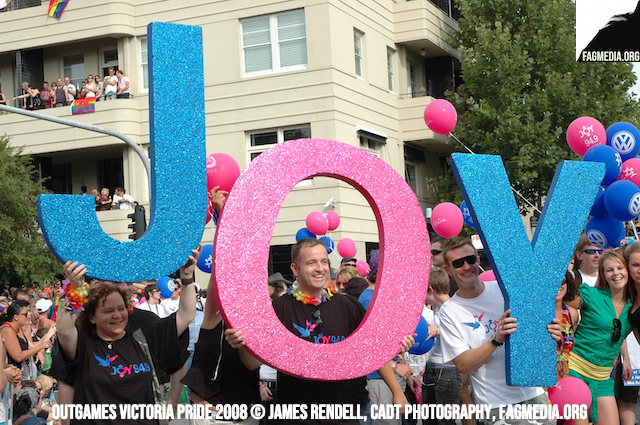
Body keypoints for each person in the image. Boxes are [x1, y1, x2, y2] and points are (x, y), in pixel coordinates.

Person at [262, 239, 410, 425]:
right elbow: (254, 359)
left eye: (324, 262)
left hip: (343, 413)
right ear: (295, 269)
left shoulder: (348, 306)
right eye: (311, 262)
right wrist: (242, 343)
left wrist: (397, 391)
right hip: (295, 415)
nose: (320, 268)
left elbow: (371, 348)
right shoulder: (278, 309)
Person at [56, 247, 198, 425]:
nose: (117, 315)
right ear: (92, 316)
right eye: (108, 311)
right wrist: (74, 287)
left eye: (121, 308)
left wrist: (187, 278)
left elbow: (186, 315)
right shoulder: (84, 345)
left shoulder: (145, 337)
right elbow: (63, 330)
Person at [438, 236, 561, 425]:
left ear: (478, 260)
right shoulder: (450, 311)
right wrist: (496, 340)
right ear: (448, 270)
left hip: (533, 393)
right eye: (458, 263)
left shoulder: (504, 289)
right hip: (496, 404)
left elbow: (534, 329)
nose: (466, 267)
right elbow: (462, 364)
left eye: (470, 259)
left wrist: (549, 331)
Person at [417, 267, 462, 425]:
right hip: (432, 368)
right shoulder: (437, 308)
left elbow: (465, 333)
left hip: (448, 371)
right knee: (428, 421)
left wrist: (438, 330)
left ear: (430, 289)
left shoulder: (455, 307)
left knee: (445, 422)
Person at [0, 301, 56, 379]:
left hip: (24, 374)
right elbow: (18, 357)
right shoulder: (7, 330)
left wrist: (39, 351)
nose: (28, 315)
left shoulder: (18, 329)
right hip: (13, 376)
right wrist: (40, 347)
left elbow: (30, 348)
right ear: (16, 317)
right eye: (25, 313)